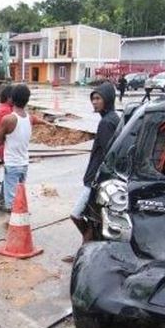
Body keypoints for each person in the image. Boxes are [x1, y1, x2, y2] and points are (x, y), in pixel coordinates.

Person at [70, 82, 121, 241]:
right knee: (93, 219)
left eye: (98, 98)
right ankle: (87, 247)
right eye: (93, 99)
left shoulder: (106, 122)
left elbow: (108, 154)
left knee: (76, 214)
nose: (94, 102)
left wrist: (98, 179)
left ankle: (87, 248)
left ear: (107, 99)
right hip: (101, 178)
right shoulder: (113, 118)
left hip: (95, 179)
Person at [0, 84, 33, 211]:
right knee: (19, 197)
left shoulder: (8, 119)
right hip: (24, 164)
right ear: (27, 100)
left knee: (12, 204)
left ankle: (15, 228)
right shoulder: (29, 118)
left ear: (12, 98)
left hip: (12, 164)